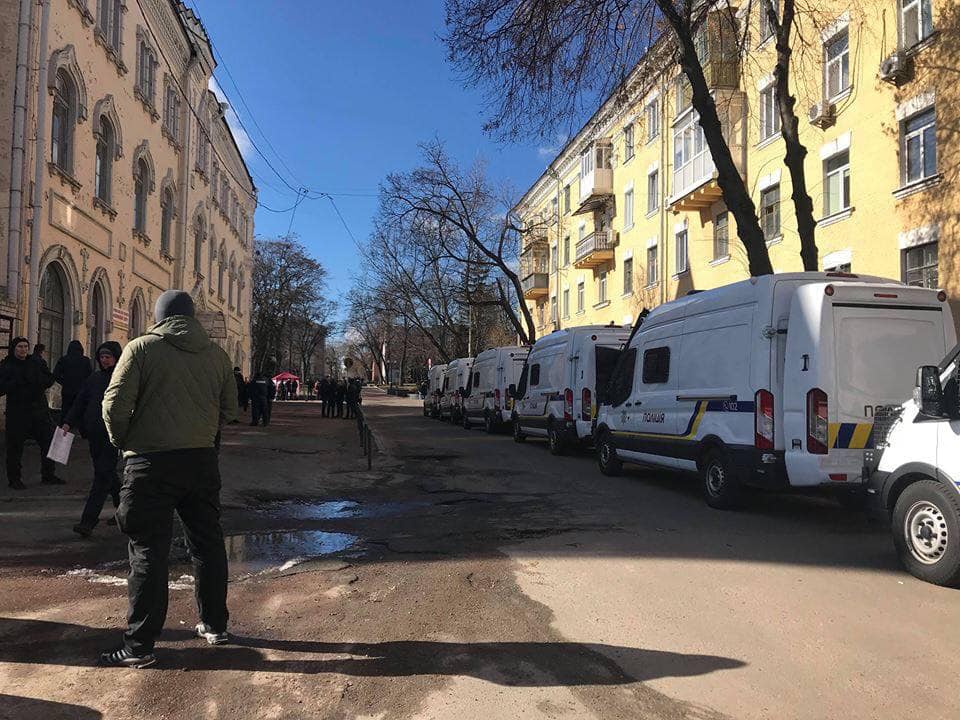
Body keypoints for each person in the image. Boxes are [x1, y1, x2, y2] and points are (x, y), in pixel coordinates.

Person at [99, 290, 237, 668]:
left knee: (148, 550)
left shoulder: (141, 348)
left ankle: (139, 646)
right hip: (201, 461)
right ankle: (215, 625)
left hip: (150, 463)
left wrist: (124, 441)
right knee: (208, 544)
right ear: (192, 317)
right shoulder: (217, 355)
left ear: (159, 316)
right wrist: (203, 430)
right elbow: (230, 408)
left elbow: (113, 405)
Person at [62, 342, 123, 537]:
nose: (105, 360)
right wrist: (67, 423)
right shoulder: (94, 378)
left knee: (102, 476)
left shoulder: (123, 377)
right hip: (94, 434)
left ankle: (88, 521)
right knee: (107, 473)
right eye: (102, 357)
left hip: (113, 435)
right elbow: (80, 402)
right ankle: (125, 510)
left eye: (108, 357)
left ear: (116, 358)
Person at [0, 337, 63, 489]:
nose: (23, 349)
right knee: (15, 447)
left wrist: (38, 380)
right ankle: (14, 479)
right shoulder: (7, 365)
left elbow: (49, 378)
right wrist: (16, 382)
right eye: (20, 347)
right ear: (14, 349)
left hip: (39, 411)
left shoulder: (36, 362)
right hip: (18, 412)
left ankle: (48, 474)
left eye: (25, 347)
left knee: (48, 442)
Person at [53, 340, 93, 422]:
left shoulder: (64, 359)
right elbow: (90, 376)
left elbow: (56, 374)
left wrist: (64, 382)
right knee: (80, 411)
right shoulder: (85, 360)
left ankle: (65, 427)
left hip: (67, 390)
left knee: (66, 411)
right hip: (81, 391)